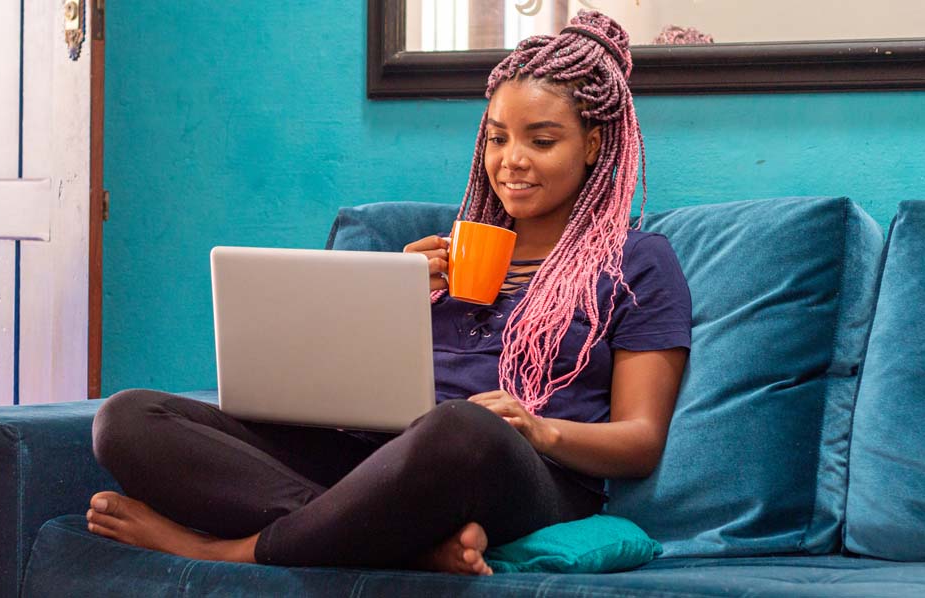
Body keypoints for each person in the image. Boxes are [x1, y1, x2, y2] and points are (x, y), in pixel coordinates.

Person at [86, 10, 691, 577]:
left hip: (521, 472)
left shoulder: (637, 262)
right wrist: (391, 299)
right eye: (498, 138)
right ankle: (393, 539)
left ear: (592, 145)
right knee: (129, 418)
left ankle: (233, 550)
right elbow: (341, 391)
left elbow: (640, 440)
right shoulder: (442, 255)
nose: (511, 161)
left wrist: (536, 429)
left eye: (541, 139)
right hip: (381, 460)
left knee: (461, 428)